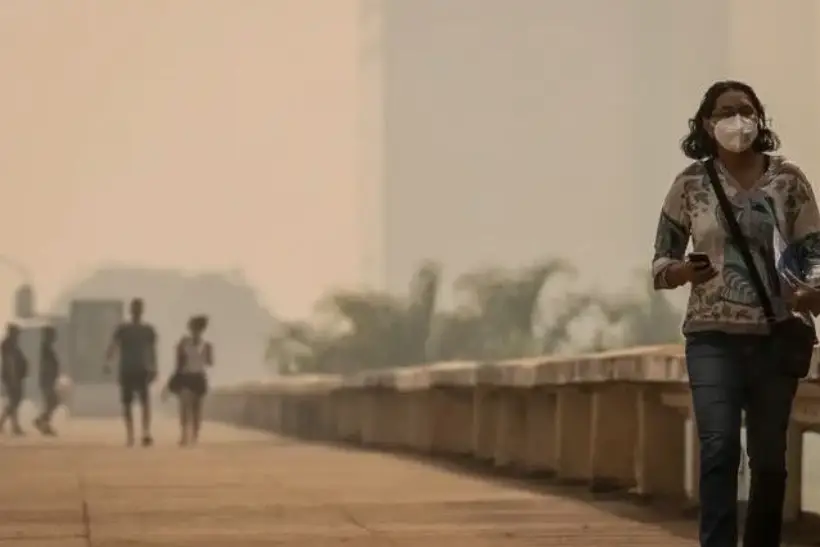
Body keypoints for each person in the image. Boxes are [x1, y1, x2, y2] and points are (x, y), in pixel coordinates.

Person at [653, 80, 820, 547]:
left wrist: (812, 292)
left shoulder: (788, 181)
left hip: (777, 336)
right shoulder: (689, 185)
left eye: (746, 110)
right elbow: (660, 262)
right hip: (712, 338)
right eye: (725, 112)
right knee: (720, 449)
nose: (737, 120)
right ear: (707, 124)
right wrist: (684, 270)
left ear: (760, 119)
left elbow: (814, 251)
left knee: (769, 462)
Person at [105, 298, 157, 447]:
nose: (136, 311)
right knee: (129, 403)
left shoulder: (148, 330)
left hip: (141, 368)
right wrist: (108, 361)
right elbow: (113, 346)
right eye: (135, 308)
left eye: (138, 308)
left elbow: (152, 351)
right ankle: (131, 434)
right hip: (128, 368)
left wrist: (154, 367)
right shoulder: (123, 329)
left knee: (144, 402)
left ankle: (145, 432)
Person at [167, 315, 212, 446]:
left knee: (196, 409)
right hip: (186, 377)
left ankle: (195, 435)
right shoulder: (183, 343)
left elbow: (209, 362)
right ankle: (184, 435)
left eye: (197, 329)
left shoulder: (206, 345)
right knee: (184, 407)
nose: (195, 331)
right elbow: (178, 362)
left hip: (199, 377)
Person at [0, 324, 28, 435]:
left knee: (14, 401)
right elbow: (9, 362)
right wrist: (13, 378)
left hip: (15, 377)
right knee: (14, 401)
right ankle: (12, 425)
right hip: (12, 377)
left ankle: (13, 425)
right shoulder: (8, 345)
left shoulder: (12, 344)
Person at [33, 325, 60, 436]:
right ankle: (42, 422)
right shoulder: (46, 348)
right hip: (47, 379)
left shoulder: (47, 347)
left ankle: (43, 422)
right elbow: (46, 365)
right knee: (52, 401)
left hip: (48, 379)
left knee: (51, 402)